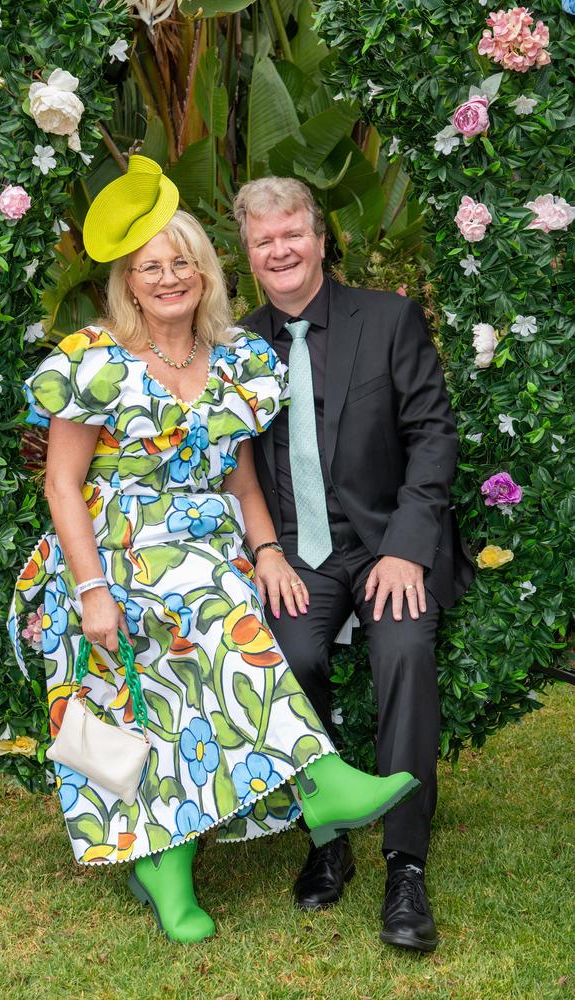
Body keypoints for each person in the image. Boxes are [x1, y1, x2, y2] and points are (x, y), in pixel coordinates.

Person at [8, 156, 420, 944]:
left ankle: (171, 867)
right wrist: (93, 591)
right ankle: (311, 782)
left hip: (203, 549)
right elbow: (63, 486)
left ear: (204, 274)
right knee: (206, 610)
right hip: (114, 550)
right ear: (127, 284)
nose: (168, 278)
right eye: (149, 268)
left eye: (182, 263)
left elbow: (239, 479)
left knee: (200, 649)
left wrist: (267, 550)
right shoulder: (94, 358)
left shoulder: (234, 360)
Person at [233, 176, 475, 953]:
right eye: (264, 240)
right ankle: (327, 838)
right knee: (290, 656)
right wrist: (264, 550)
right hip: (296, 552)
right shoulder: (234, 345)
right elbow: (229, 462)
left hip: (383, 541)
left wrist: (407, 547)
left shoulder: (389, 319)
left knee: (403, 650)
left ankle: (405, 864)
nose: (281, 250)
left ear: (320, 237)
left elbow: (434, 438)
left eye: (292, 233)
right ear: (248, 253)